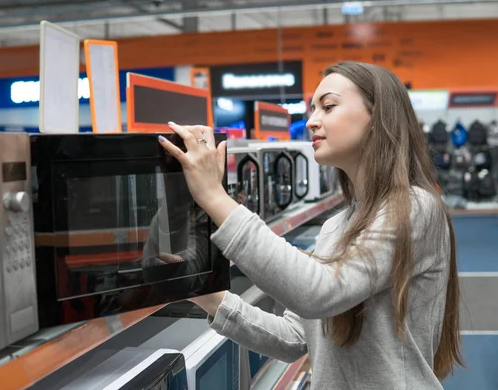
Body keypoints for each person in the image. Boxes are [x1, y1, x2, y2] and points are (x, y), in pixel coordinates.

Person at [157, 61, 464, 389]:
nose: (311, 121)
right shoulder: (337, 226)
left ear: (377, 117)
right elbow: (294, 338)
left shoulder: (415, 208)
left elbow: (319, 293)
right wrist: (208, 297)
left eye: (328, 107)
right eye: (312, 109)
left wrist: (214, 197)